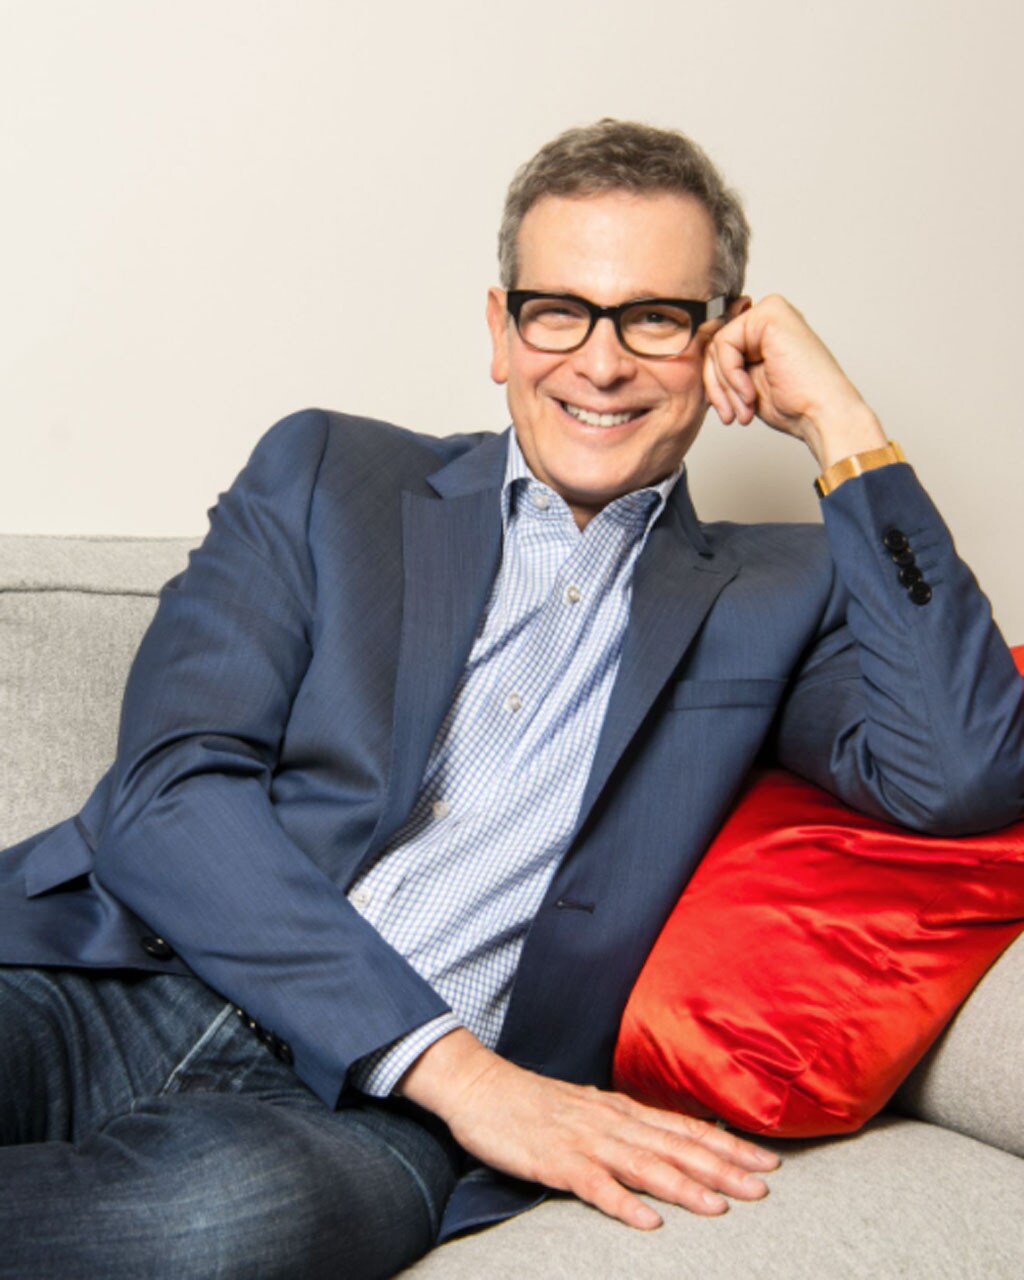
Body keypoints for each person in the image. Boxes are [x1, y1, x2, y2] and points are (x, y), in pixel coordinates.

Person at [1, 119, 1021, 1279]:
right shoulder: (329, 474)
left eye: (654, 317)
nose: (601, 363)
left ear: (720, 338)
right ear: (500, 329)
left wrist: (842, 423)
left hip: (364, 1125)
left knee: (217, 1231)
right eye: (558, 311)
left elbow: (967, 773)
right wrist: (464, 1073)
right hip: (114, 973)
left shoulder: (784, 592)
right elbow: (169, 791)